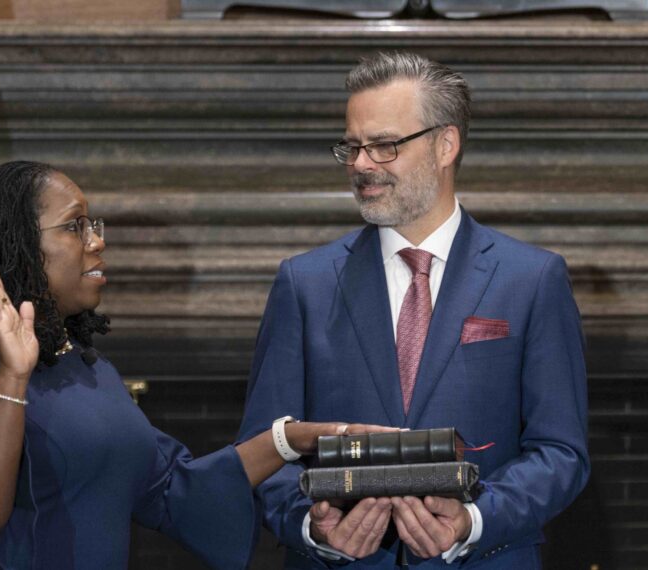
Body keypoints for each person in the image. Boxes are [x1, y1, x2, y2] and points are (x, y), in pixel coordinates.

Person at [0, 161, 391, 569]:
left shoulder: (91, 373)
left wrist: (291, 439)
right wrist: (13, 376)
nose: (97, 241)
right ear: (17, 246)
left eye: (93, 225)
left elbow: (173, 490)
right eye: (74, 226)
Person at [238, 51, 590, 568]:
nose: (360, 164)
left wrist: (474, 520)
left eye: (383, 146)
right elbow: (262, 449)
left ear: (445, 145)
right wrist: (311, 526)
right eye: (353, 147)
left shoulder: (533, 279)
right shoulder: (303, 283)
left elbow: (562, 453)